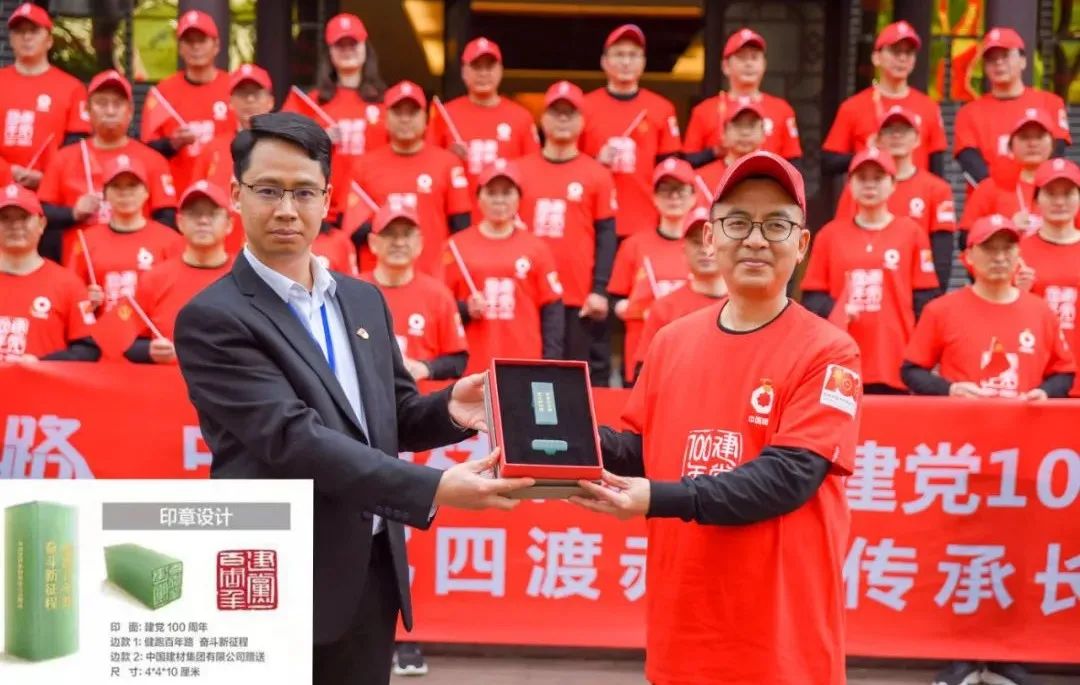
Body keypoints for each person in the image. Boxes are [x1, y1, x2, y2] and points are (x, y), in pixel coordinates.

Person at [173, 112, 535, 685]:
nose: (286, 209)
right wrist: (433, 488)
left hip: (370, 569)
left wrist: (450, 409)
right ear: (236, 195)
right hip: (272, 571)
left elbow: (391, 416)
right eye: (268, 190)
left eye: (303, 192)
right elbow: (293, 439)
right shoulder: (213, 317)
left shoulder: (362, 300)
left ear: (327, 199)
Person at [569, 151, 861, 685]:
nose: (756, 240)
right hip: (683, 630)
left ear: (802, 244)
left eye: (776, 225)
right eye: (737, 222)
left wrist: (657, 499)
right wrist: (543, 435)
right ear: (710, 238)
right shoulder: (670, 342)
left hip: (781, 645)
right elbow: (643, 451)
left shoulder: (830, 352)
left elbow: (789, 476)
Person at [902, 217, 1073, 685]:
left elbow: (1064, 371)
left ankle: (1005, 655)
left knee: (1015, 557)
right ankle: (959, 654)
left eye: (1007, 249)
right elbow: (911, 370)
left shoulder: (1040, 311)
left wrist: (1046, 393)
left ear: (1018, 256)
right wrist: (949, 389)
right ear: (968, 258)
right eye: (989, 249)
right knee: (960, 554)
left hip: (1023, 458)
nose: (999, 257)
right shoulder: (942, 310)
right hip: (960, 458)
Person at [801, 148, 939, 394]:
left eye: (878, 178)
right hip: (841, 356)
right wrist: (837, 309)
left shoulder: (912, 233)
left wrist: (920, 358)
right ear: (850, 184)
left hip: (895, 358)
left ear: (893, 184)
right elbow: (812, 297)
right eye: (861, 178)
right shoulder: (829, 235)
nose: (870, 185)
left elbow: (925, 300)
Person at [516, 80, 617, 387]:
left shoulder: (597, 174)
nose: (562, 119)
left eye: (570, 113)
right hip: (527, 295)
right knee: (527, 377)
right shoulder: (518, 171)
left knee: (571, 381)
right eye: (555, 112)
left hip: (576, 294)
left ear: (582, 121)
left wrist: (599, 289)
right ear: (543, 119)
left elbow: (606, 235)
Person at [38, 69, 177, 263]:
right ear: (87, 110)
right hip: (81, 266)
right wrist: (73, 213)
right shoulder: (64, 158)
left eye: (117, 104)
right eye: (102, 103)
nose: (110, 111)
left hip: (139, 263)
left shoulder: (152, 159)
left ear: (130, 111)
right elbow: (40, 213)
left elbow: (167, 219)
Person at [444, 162, 564, 375]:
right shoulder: (455, 246)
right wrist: (464, 309)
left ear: (519, 198)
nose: (499, 200)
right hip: (471, 364)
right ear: (478, 198)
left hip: (524, 360)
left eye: (507, 193)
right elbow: (438, 308)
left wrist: (551, 362)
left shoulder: (537, 248)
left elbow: (552, 310)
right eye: (491, 193)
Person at [347, 81, 471, 276]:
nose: (405, 119)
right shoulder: (363, 165)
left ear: (425, 117)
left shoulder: (448, 163)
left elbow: (461, 228)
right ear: (386, 117)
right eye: (398, 112)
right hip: (378, 280)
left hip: (432, 277)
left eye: (412, 112)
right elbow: (353, 229)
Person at [834, 106, 956, 287]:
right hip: (866, 283)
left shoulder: (938, 188)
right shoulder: (859, 189)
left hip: (916, 284)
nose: (897, 135)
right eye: (889, 130)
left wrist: (934, 294)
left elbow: (942, 249)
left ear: (918, 139)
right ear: (878, 140)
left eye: (904, 130)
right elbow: (842, 241)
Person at [579, 24, 681, 239]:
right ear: (604, 62)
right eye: (619, 55)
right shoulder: (584, 107)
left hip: (645, 220)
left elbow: (671, 170)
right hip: (593, 218)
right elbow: (568, 165)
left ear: (643, 62)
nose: (626, 62)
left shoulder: (661, 108)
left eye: (633, 55)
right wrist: (596, 162)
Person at [608, 158, 697, 385]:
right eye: (665, 191)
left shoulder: (706, 249)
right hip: (643, 352)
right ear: (654, 198)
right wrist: (630, 308)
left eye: (680, 191)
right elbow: (615, 299)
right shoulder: (633, 245)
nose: (674, 198)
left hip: (694, 351)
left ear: (693, 197)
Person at [126, 181, 234, 365]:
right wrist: (148, 351)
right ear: (180, 222)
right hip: (167, 380)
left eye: (212, 213)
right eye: (194, 214)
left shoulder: (248, 277)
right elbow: (125, 342)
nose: (203, 221)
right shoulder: (154, 279)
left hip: (229, 381)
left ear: (229, 224)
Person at [822, 21, 947, 177]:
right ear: (876, 57)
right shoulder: (853, 106)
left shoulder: (929, 107)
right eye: (895, 51)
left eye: (909, 52)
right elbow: (829, 163)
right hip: (869, 190)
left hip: (916, 191)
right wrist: (867, 154)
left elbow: (937, 167)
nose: (902, 58)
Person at [363, 203, 468, 382]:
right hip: (368, 398)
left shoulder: (438, 295)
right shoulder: (354, 291)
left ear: (420, 243)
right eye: (390, 234)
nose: (399, 242)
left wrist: (425, 368)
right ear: (373, 242)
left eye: (406, 234)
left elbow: (458, 361)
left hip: (421, 397)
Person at [66, 155, 182, 313]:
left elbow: (179, 295)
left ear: (146, 192)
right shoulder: (87, 240)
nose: (125, 193)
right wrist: (86, 301)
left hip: (152, 327)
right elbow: (71, 297)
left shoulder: (170, 239)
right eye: (116, 186)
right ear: (105, 194)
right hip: (104, 326)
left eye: (132, 185)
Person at [953, 27, 1070, 185]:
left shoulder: (1051, 103)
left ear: (1023, 61)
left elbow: (1056, 153)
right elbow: (969, 161)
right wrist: (1000, 195)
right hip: (988, 197)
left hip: (1039, 193)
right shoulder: (968, 112)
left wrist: (1034, 190)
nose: (998, 63)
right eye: (991, 59)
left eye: (1005, 55)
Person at [427, 37, 539, 196]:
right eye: (476, 67)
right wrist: (448, 158)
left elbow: (533, 172)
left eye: (489, 67)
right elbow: (428, 167)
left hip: (504, 207)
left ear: (500, 70)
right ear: (464, 71)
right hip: (458, 207)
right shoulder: (445, 115)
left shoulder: (521, 117)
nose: (483, 73)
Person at [0, 182, 98, 362]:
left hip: (41, 380)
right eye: (4, 218)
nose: (15, 225)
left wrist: (41, 365)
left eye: (23, 217)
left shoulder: (69, 285)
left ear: (41, 224)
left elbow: (88, 351)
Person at [140, 10, 235, 193]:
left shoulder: (234, 88)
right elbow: (147, 150)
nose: (195, 47)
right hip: (178, 193)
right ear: (180, 48)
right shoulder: (162, 93)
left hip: (226, 191)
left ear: (216, 45)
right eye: (189, 41)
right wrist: (172, 143)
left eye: (202, 40)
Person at [0, 3, 89, 191]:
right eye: (19, 31)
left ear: (49, 40)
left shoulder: (72, 88)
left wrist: (47, 178)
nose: (26, 37)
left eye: (33, 31)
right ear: (11, 40)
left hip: (49, 193)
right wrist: (7, 172)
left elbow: (77, 148)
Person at [684, 28, 800, 167]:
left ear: (764, 64)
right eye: (741, 57)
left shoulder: (782, 109)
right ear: (726, 66)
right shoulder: (703, 110)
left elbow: (794, 162)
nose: (749, 64)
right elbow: (688, 162)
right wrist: (715, 152)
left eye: (754, 57)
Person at [192, 63, 276, 255]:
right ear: (230, 102)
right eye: (242, 94)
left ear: (270, 101)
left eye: (256, 94)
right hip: (220, 252)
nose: (249, 100)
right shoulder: (211, 148)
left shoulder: (283, 149)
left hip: (269, 251)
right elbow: (197, 201)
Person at [282, 13, 387, 167]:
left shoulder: (388, 102)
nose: (347, 50)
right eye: (340, 45)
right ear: (330, 52)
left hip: (373, 182)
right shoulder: (310, 104)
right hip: (327, 182)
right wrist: (317, 141)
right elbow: (282, 147)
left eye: (353, 44)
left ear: (365, 47)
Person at [633, 207, 727, 377]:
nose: (704, 249)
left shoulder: (749, 305)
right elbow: (645, 373)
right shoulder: (664, 307)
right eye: (697, 242)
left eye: (711, 240)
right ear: (684, 251)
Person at [1022, 158, 1080, 395]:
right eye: (1051, 193)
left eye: (1068, 193)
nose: (1059, 201)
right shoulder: (1017, 253)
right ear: (1036, 199)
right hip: (1038, 383)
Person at [960, 108, 1056, 238]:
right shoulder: (990, 187)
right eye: (1024, 137)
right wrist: (1006, 229)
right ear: (1010, 145)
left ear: (1052, 144)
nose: (1032, 143)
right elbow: (966, 238)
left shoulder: (1067, 186)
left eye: (1039, 137)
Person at [695, 100, 767, 194]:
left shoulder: (776, 176)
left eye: (752, 125)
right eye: (737, 125)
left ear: (763, 134)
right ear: (723, 134)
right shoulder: (701, 180)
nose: (745, 132)